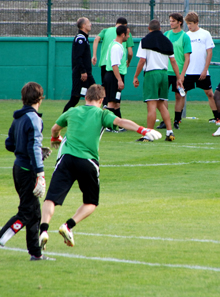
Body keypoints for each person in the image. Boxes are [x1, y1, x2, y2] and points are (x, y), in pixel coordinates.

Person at [39, 84, 161, 249]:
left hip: (66, 159)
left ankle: (43, 231)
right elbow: (120, 121)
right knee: (91, 203)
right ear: (102, 100)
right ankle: (67, 226)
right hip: (87, 162)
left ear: (85, 97)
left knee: (51, 199)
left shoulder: (72, 111)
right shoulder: (103, 113)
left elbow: (54, 129)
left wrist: (55, 138)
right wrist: (142, 130)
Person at [0, 82, 54, 262]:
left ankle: (35, 254)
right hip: (28, 171)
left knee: (34, 213)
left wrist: (27, 150)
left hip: (18, 168)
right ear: (40, 98)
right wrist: (40, 174)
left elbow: (10, 144)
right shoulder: (35, 119)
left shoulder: (18, 118)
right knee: (26, 213)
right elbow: (34, 147)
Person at [133, 19, 183, 142]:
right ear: (160, 29)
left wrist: (135, 76)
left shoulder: (145, 41)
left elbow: (142, 61)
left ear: (149, 29)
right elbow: (173, 61)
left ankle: (148, 135)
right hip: (164, 74)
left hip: (152, 74)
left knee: (151, 106)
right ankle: (170, 132)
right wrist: (179, 78)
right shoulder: (167, 41)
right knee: (161, 104)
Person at [156, 12, 192, 130]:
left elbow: (187, 59)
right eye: (170, 21)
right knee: (162, 97)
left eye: (173, 21)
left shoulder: (185, 37)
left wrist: (181, 75)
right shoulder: (166, 34)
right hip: (166, 71)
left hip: (178, 72)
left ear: (179, 22)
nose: (171, 23)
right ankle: (165, 120)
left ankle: (177, 120)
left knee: (179, 96)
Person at [184, 11, 218, 123]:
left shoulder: (205, 34)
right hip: (188, 72)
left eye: (191, 23)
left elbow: (210, 53)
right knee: (181, 94)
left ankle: (217, 117)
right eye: (187, 24)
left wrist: (204, 70)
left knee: (209, 93)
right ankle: (177, 120)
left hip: (202, 72)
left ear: (196, 22)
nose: (189, 26)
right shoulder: (186, 35)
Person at [62, 17, 96, 113]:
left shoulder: (84, 38)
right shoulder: (80, 38)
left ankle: (93, 117)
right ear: (83, 25)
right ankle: (62, 120)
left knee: (96, 94)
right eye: (89, 23)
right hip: (82, 74)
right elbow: (78, 57)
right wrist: (83, 71)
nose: (91, 24)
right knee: (75, 98)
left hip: (87, 74)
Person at [102, 24, 130, 132]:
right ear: (123, 34)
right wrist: (119, 80)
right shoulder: (116, 47)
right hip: (114, 76)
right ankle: (108, 126)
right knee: (111, 102)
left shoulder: (115, 45)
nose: (128, 36)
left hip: (114, 76)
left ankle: (121, 126)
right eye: (127, 34)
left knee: (116, 102)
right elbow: (114, 65)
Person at [91, 17, 133, 86]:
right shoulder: (126, 33)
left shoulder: (106, 30)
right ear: (125, 25)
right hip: (118, 67)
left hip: (105, 64)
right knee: (116, 91)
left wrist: (94, 55)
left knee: (105, 89)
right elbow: (130, 53)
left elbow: (96, 39)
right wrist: (128, 61)